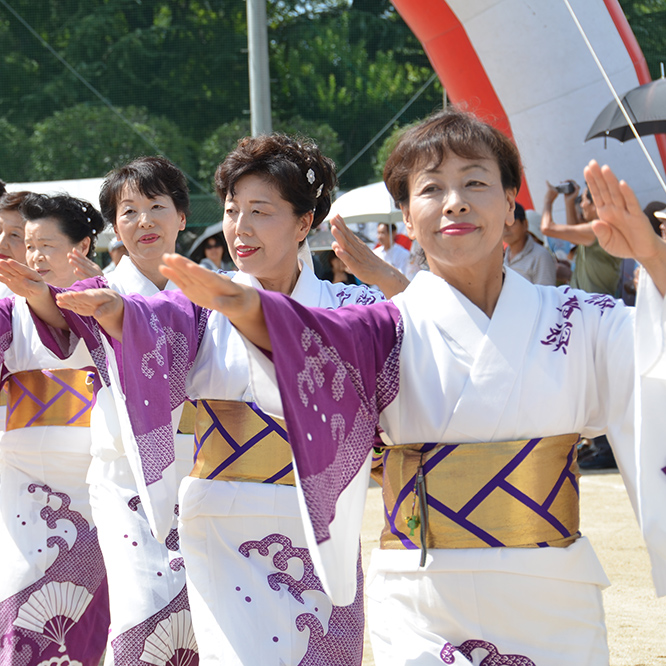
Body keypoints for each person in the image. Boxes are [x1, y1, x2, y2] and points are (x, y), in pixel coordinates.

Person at [71, 109, 666, 665]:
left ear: (512, 202)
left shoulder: (580, 319)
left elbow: (653, 357)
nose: (454, 202)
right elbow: (308, 343)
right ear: (406, 216)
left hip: (552, 588)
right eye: (431, 188)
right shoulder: (382, 328)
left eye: (476, 183)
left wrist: (655, 260)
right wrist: (225, 307)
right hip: (421, 591)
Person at [10, 136, 405, 665]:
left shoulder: (349, 304)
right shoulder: (202, 304)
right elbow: (156, 323)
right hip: (223, 522)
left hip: (317, 520)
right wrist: (117, 312)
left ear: (304, 223)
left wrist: (391, 280)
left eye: (259, 212)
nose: (239, 227)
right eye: (231, 210)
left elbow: (418, 344)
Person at [0, 157, 199, 665]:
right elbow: (59, 320)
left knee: (188, 634)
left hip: (195, 482)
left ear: (183, 215)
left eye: (158, 207)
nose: (34, 256)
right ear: (114, 224)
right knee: (112, 626)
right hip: (87, 487)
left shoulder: (212, 296)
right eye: (130, 211)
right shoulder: (81, 299)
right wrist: (56, 300)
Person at [0, 193, 110, 666]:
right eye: (28, 245)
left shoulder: (119, 306)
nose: (35, 255)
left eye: (47, 244)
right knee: (18, 622)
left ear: (82, 245)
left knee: (81, 629)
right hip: (23, 489)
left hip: (96, 493)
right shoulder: (9, 310)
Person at [541, 179, 622, 295]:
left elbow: (547, 228)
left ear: (595, 205)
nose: (581, 205)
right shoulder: (598, 231)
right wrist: (569, 202)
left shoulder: (599, 230)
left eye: (584, 200)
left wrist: (548, 201)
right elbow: (573, 237)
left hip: (597, 309)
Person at [503, 202, 556, 285]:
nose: (505, 229)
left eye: (511, 223)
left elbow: (545, 295)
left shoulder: (540, 256)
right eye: (501, 224)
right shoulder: (502, 258)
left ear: (525, 224)